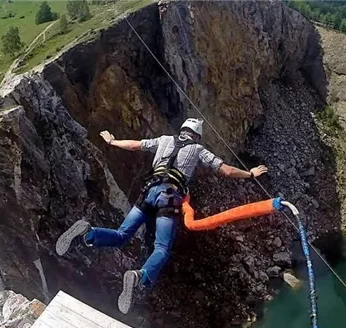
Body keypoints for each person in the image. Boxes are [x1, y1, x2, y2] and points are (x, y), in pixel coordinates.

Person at [55, 118, 268, 313]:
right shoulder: (198, 149)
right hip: (170, 198)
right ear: (197, 136)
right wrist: (250, 173)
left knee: (122, 234)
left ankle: (89, 232)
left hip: (149, 192)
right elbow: (227, 171)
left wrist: (112, 141)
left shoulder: (164, 140)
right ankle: (140, 275)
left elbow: (135, 145)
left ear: (183, 130)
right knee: (162, 248)